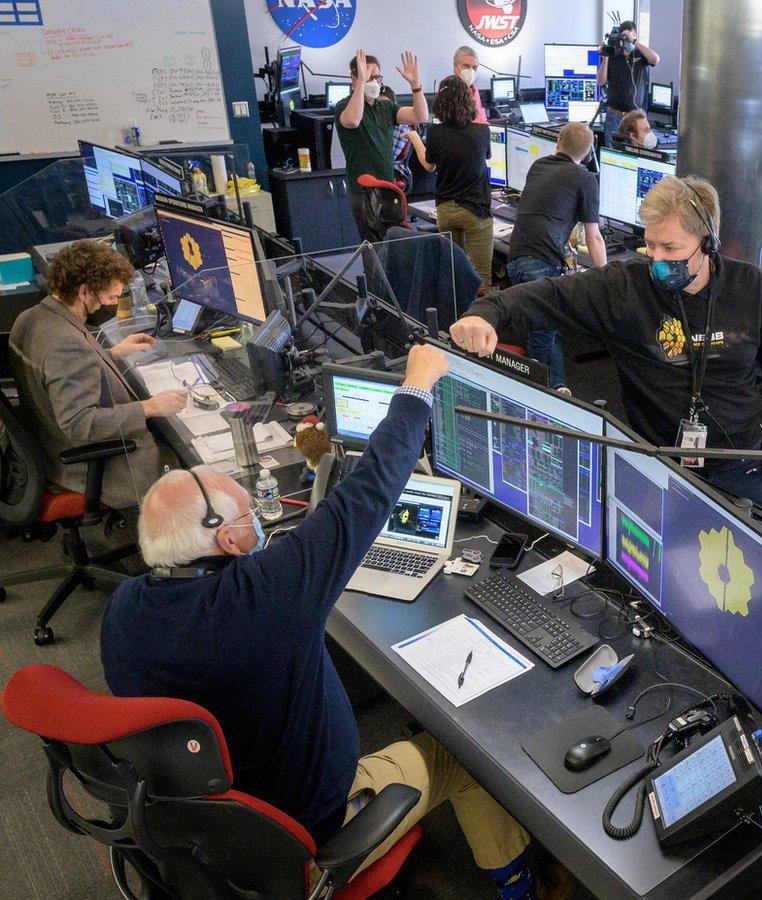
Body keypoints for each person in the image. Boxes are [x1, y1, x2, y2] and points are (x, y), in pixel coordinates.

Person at [100, 344, 541, 899]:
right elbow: (370, 488)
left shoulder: (121, 609)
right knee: (465, 753)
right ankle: (521, 883)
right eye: (249, 517)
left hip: (202, 831)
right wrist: (418, 385)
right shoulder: (268, 595)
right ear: (230, 539)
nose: (259, 526)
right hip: (304, 840)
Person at [451, 175, 762, 508]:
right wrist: (486, 311)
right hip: (654, 463)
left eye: (670, 249)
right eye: (650, 245)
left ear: (708, 244)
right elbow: (549, 296)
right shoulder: (625, 287)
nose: (657, 259)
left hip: (740, 465)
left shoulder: (751, 288)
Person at [9, 240, 186, 509]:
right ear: (83, 291)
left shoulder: (31, 317)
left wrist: (113, 353)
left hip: (46, 443)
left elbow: (56, 375)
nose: (114, 303)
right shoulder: (66, 343)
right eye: (111, 297)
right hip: (86, 467)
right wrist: (151, 406)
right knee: (185, 465)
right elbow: (79, 423)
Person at [506, 122, 607, 391]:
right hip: (540, 264)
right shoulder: (585, 177)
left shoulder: (538, 165)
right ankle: (534, 393)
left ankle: (560, 388)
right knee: (541, 338)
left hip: (515, 259)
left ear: (558, 142)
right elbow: (594, 236)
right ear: (588, 154)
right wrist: (607, 276)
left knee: (550, 326)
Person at [335, 49, 429, 241]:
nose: (375, 82)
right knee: (374, 250)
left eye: (378, 77)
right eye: (370, 76)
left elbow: (420, 116)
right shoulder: (343, 107)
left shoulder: (385, 107)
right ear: (353, 78)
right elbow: (352, 120)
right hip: (364, 193)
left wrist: (415, 86)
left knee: (394, 247)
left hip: (389, 188)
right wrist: (361, 82)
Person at [424, 75, 494, 287]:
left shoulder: (434, 132)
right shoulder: (482, 131)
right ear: (468, 100)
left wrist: (417, 141)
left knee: (454, 275)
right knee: (482, 278)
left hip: (445, 210)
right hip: (475, 210)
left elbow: (429, 164)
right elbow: (486, 157)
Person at [597, 20, 660, 143]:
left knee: (633, 153)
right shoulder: (614, 55)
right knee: (611, 154)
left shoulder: (640, 55)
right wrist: (605, 57)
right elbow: (600, 82)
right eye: (626, 36)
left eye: (632, 35)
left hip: (634, 118)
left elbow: (655, 59)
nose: (629, 39)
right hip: (614, 115)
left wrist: (635, 42)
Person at [453, 45, 489, 124]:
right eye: (466, 66)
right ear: (455, 67)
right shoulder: (449, 92)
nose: (471, 71)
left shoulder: (474, 90)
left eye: (474, 67)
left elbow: (481, 119)